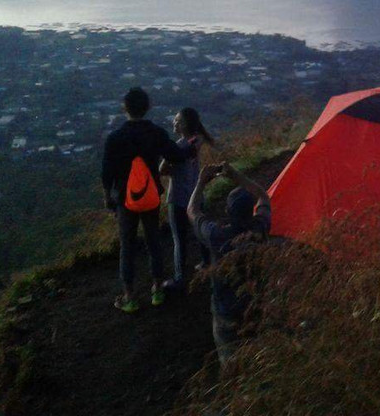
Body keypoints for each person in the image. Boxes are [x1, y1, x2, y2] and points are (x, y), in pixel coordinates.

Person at [101, 87, 184, 313]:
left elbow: (106, 173)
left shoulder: (115, 138)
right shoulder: (155, 133)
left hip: (124, 200)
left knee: (127, 246)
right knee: (153, 241)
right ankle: (157, 289)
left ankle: (129, 296)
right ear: (147, 107)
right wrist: (191, 144)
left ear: (124, 108)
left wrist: (108, 197)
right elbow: (176, 154)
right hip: (150, 197)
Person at [188, 162, 271, 362]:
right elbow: (263, 196)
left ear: (227, 210)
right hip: (256, 311)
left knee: (230, 362)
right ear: (251, 210)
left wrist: (201, 182)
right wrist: (236, 174)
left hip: (226, 313)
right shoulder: (260, 227)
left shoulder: (217, 235)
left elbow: (192, 210)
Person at [159, 107, 214, 292]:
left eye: (178, 121)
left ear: (186, 125)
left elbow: (161, 169)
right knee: (200, 231)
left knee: (179, 240)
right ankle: (207, 264)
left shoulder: (180, 146)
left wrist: (174, 171)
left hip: (178, 198)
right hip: (196, 195)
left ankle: (179, 278)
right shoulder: (197, 140)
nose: (174, 123)